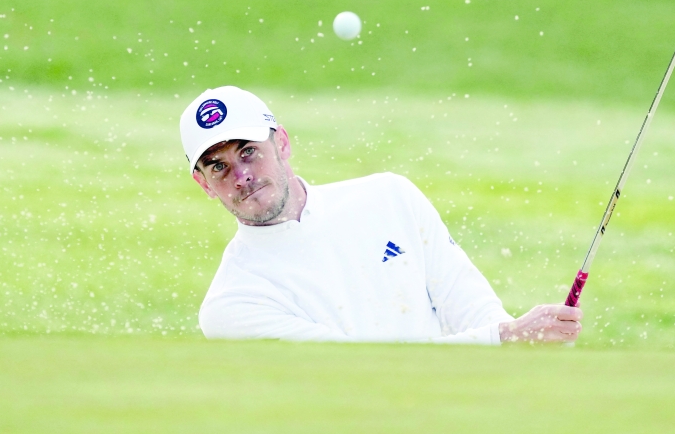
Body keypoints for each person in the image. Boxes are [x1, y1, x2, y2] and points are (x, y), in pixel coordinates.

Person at [180, 86, 582, 345]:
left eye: (248, 151)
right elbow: (368, 370)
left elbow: (470, 306)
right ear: (203, 184)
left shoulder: (390, 197)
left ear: (281, 142)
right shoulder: (231, 305)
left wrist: (523, 344)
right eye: (219, 166)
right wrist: (507, 338)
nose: (242, 176)